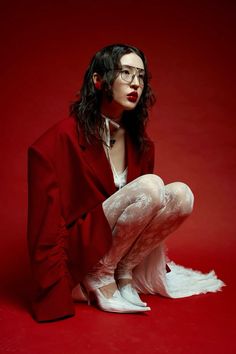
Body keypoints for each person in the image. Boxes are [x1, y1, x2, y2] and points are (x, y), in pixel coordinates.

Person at [27, 44, 224, 322]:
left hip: (119, 255)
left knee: (182, 194)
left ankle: (123, 273)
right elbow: (44, 228)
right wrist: (53, 293)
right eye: (126, 73)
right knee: (151, 185)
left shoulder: (141, 144)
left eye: (141, 76)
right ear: (98, 81)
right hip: (81, 255)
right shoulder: (55, 142)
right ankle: (98, 275)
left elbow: (143, 216)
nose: (136, 83)